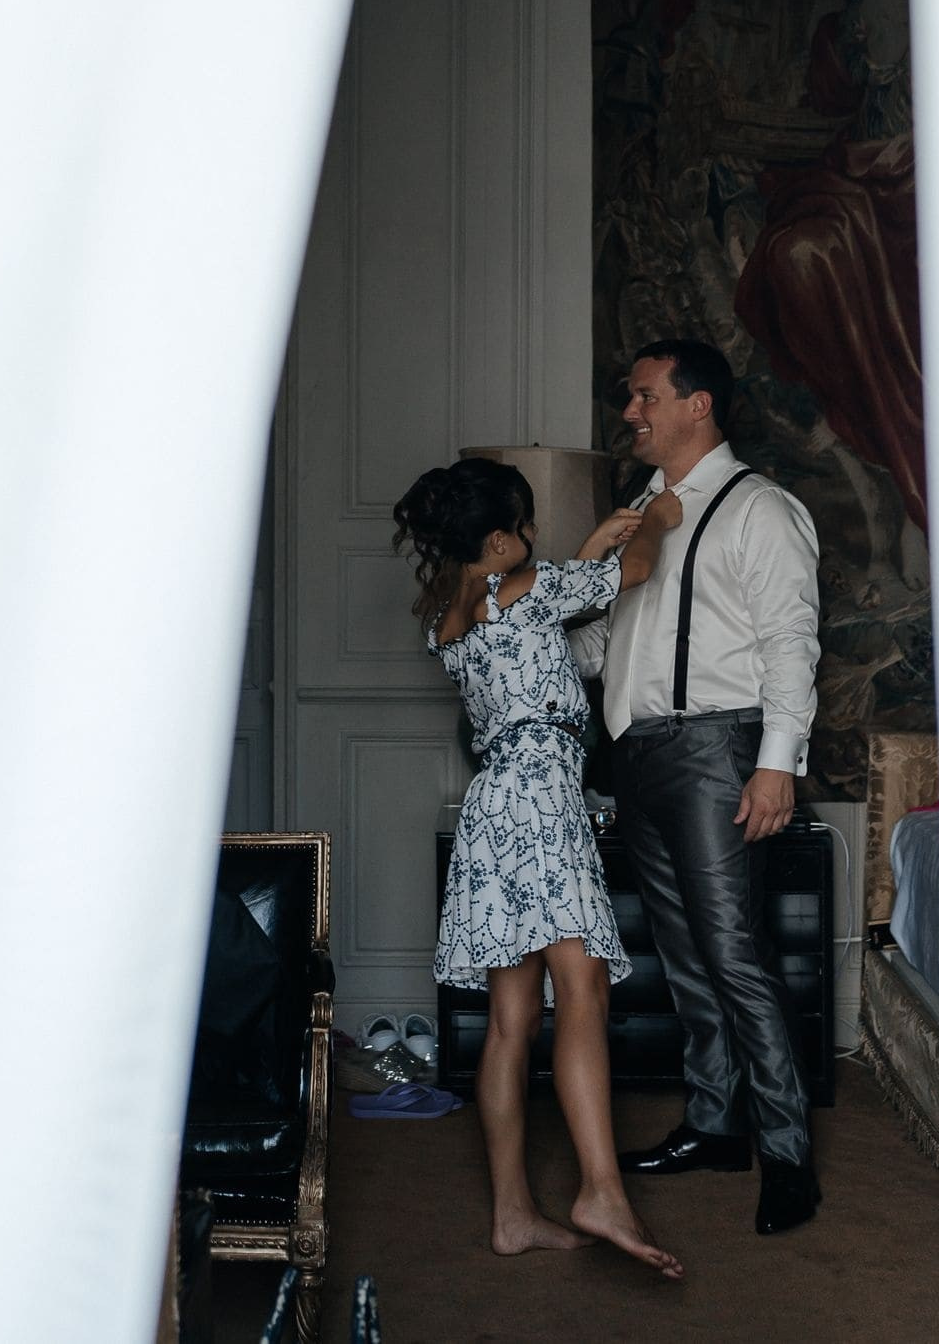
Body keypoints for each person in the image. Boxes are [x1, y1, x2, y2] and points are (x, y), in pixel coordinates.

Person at [392, 458, 683, 1280]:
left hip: (493, 807)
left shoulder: (447, 616)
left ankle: (513, 1215)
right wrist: (655, 518)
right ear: (496, 539)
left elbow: (557, 588)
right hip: (542, 805)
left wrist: (581, 550)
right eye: (523, 528)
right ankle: (600, 1191)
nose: (531, 539)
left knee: (512, 1019)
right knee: (583, 991)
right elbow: (628, 573)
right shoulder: (532, 591)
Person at [568, 339, 823, 1237]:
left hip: (719, 749)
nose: (629, 411)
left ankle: (786, 1154)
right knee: (682, 956)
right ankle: (716, 1125)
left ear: (696, 404)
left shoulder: (760, 509)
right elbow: (606, 645)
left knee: (735, 956)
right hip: (638, 755)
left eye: (642, 396)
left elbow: (789, 640)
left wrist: (775, 762)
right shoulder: (639, 512)